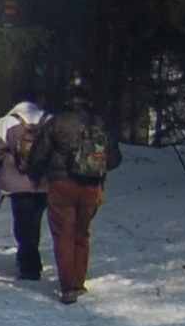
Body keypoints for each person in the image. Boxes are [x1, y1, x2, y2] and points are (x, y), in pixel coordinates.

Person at [30, 92, 123, 304]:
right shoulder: (100, 124)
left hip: (61, 185)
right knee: (81, 234)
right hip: (91, 188)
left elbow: (39, 154)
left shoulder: (57, 122)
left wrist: (35, 175)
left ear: (68, 102)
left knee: (63, 234)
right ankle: (79, 283)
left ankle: (68, 287)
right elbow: (114, 160)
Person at [0, 100, 49, 282]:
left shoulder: (6, 123)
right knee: (34, 223)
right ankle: (29, 260)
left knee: (23, 225)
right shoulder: (49, 120)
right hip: (43, 182)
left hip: (16, 183)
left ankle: (29, 266)